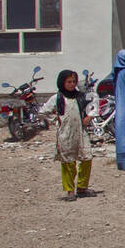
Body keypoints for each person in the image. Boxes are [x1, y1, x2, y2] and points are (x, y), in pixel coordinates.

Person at [40, 70, 96, 201]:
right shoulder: (57, 98)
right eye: (68, 82)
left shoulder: (81, 96)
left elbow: (94, 107)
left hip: (81, 133)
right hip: (65, 133)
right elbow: (43, 112)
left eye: (74, 82)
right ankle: (70, 190)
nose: (72, 84)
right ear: (62, 82)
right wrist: (55, 118)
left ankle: (82, 188)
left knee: (87, 158)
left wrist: (89, 117)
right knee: (68, 162)